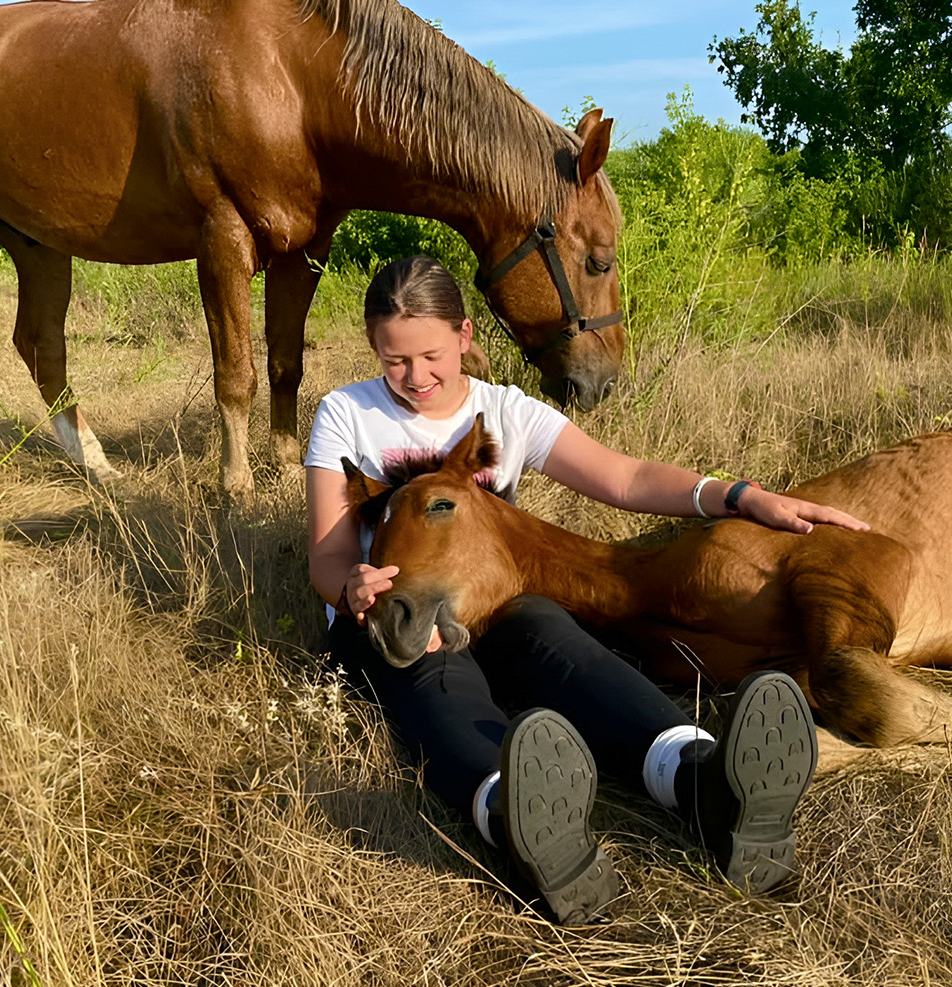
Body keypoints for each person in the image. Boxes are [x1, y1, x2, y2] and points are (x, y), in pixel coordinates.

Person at [305, 255, 868, 925]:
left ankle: (703, 780)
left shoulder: (504, 410)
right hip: (397, 612)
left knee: (557, 637)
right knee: (433, 673)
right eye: (395, 361)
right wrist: (356, 588)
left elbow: (624, 479)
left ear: (463, 336)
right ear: (374, 349)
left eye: (431, 355)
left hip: (494, 605)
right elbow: (329, 554)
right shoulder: (346, 413)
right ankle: (513, 815)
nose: (416, 377)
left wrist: (740, 496)